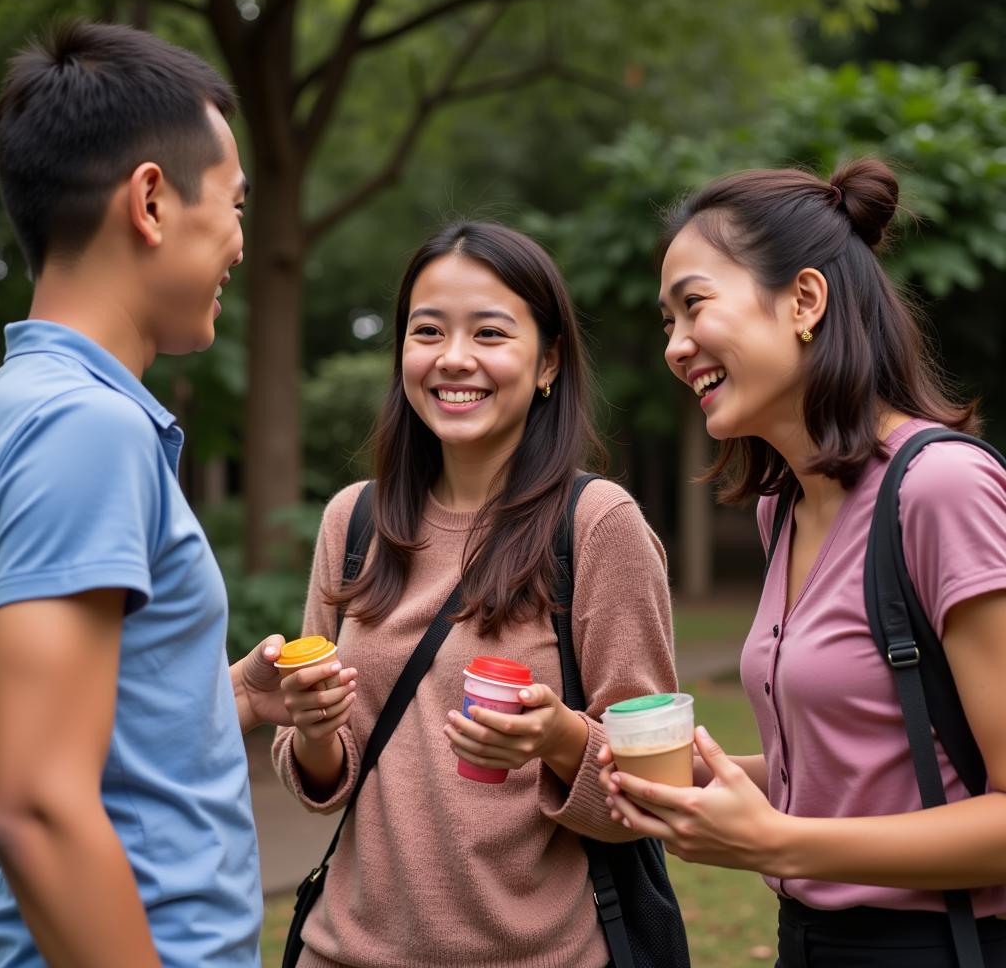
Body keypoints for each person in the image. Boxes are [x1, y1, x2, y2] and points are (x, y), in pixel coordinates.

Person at [599, 158, 1006, 966]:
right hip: (811, 945)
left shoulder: (941, 488)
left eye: (695, 306)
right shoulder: (782, 505)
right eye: (666, 321)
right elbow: (852, 768)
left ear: (805, 301)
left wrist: (778, 844)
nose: (677, 347)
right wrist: (708, 781)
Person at [272, 220, 678, 968]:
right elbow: (325, 776)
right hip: (344, 952)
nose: (454, 359)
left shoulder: (596, 526)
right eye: (428, 332)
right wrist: (313, 727)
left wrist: (557, 738)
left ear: (548, 360)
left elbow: (653, 793)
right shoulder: (353, 521)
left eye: (490, 333)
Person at [0, 21, 296, 967]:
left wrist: (224, 696)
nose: (242, 241)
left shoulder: (21, 406)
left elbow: (63, 713)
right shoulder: (87, 430)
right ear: (152, 202)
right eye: (236, 206)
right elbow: (35, 806)